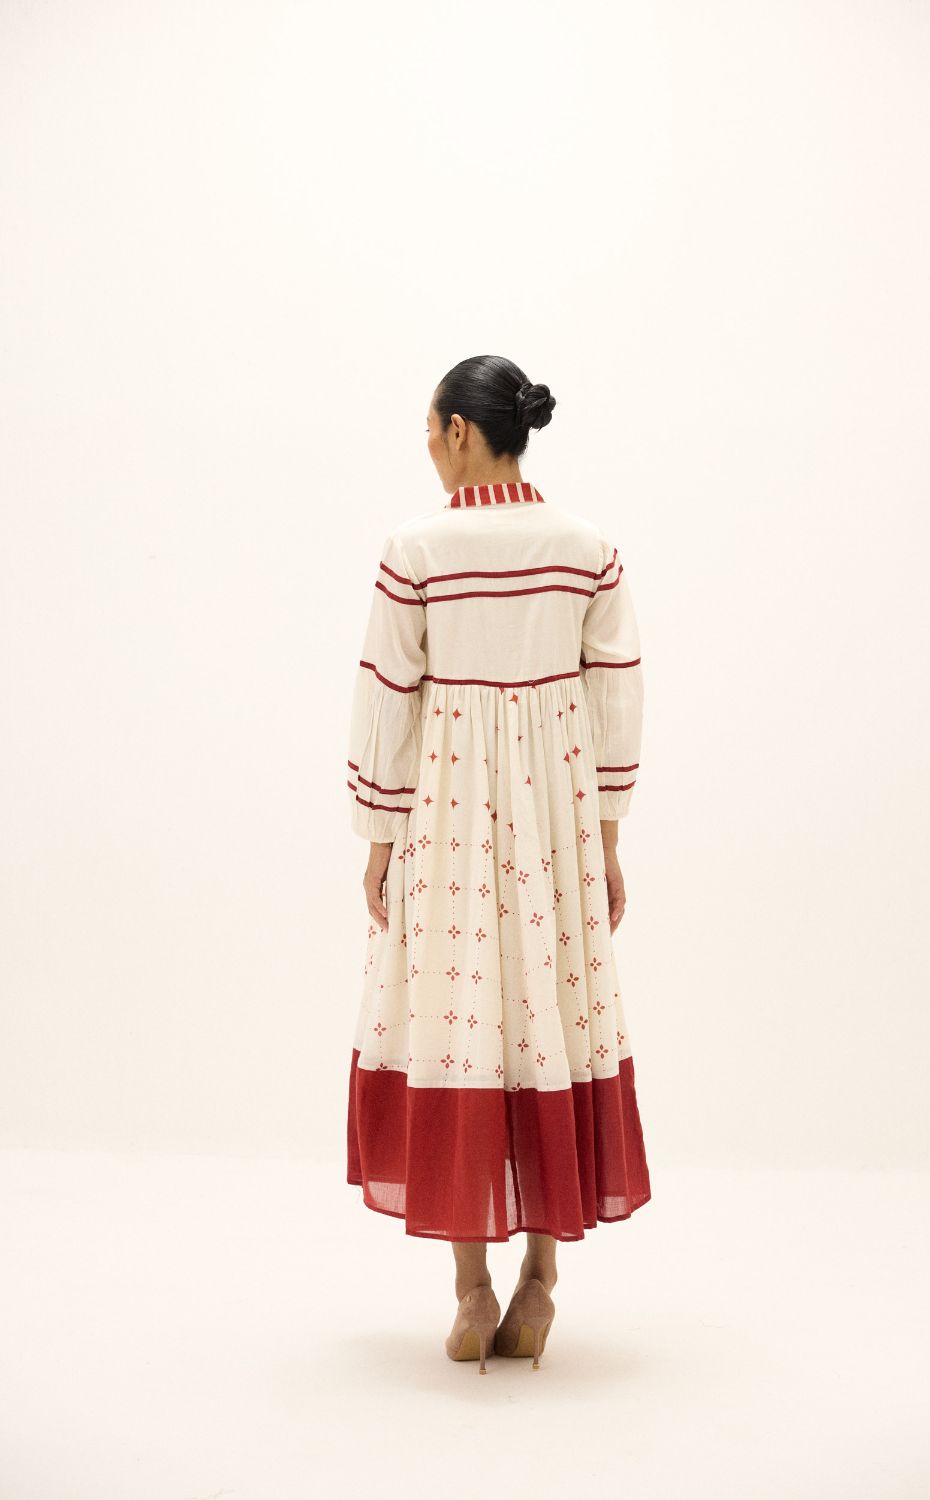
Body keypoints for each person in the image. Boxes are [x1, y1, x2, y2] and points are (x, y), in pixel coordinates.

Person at [345, 354, 651, 1372]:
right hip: (557, 822)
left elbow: (387, 698)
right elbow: (616, 698)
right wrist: (607, 839)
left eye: (430, 433)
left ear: (460, 432)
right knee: (548, 1017)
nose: (428, 451)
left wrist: (380, 839)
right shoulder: (587, 550)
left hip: (450, 824)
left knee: (459, 1018)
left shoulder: (416, 550)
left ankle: (472, 1292)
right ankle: (540, 1282)